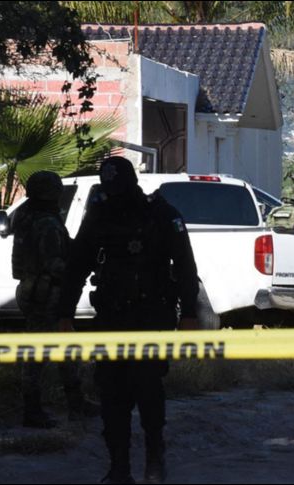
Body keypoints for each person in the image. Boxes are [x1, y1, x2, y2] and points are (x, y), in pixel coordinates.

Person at [57, 157, 200, 484]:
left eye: (119, 189)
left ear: (132, 184)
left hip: (151, 316)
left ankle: (154, 459)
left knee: (148, 389)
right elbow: (77, 267)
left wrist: (189, 314)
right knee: (112, 394)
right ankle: (119, 467)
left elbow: (185, 267)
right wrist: (65, 313)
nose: (115, 196)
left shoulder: (161, 214)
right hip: (111, 317)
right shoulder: (100, 216)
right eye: (110, 190)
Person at [11, 171, 94, 428]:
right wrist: (78, 267)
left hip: (35, 291)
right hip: (46, 294)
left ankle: (75, 402)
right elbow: (54, 263)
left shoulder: (29, 217)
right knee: (39, 353)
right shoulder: (46, 222)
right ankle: (33, 410)